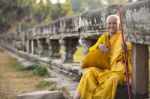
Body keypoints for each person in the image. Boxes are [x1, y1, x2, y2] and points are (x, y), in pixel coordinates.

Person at [74, 15, 132, 99]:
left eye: (114, 23)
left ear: (119, 25)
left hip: (117, 71)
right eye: (109, 23)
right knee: (88, 72)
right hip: (103, 68)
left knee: (113, 80)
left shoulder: (123, 38)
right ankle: (77, 97)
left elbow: (130, 53)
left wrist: (126, 50)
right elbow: (91, 50)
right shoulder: (104, 37)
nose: (111, 25)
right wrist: (99, 46)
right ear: (106, 25)